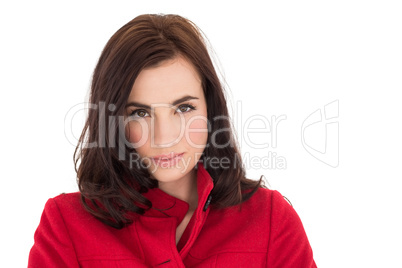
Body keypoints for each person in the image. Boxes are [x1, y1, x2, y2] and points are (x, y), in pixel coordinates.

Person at [28, 14, 317, 267]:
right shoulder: (66, 225)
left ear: (210, 110)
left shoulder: (269, 220)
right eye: (140, 112)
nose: (165, 137)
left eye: (184, 108)